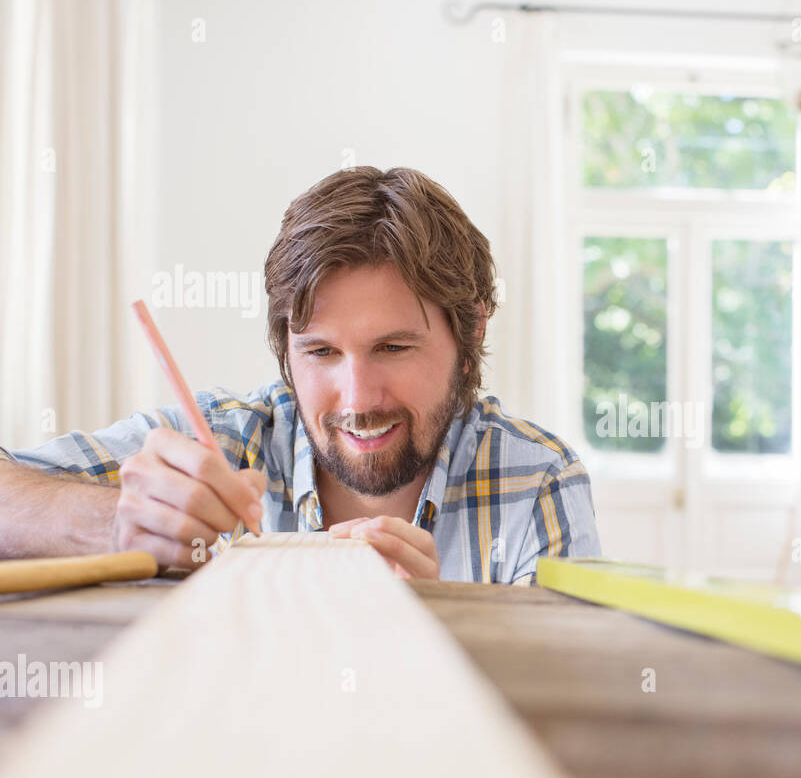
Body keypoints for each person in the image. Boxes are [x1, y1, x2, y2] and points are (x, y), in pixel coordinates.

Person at [0, 167, 601, 584]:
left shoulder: (536, 483)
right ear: (285, 351)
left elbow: (564, 724)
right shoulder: (222, 443)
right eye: (320, 353)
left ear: (472, 335)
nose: (358, 400)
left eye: (393, 347)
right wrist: (112, 524)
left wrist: (443, 626)